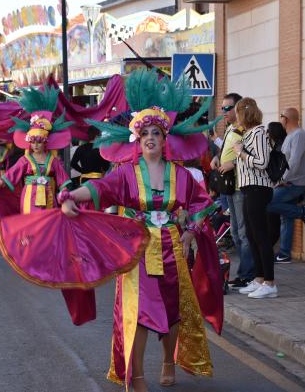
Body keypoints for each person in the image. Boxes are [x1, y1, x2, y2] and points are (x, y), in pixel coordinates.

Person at [61, 69, 223, 392]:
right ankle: (136, 377)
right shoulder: (125, 174)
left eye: (156, 133)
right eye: (145, 132)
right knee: (139, 313)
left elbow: (202, 204)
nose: (151, 137)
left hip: (172, 248)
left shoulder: (181, 175)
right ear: (138, 138)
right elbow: (100, 189)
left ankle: (168, 361)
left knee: (173, 311)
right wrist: (70, 197)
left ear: (165, 140)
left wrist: (191, 230)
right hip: (137, 249)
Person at [233, 97, 277, 298]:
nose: (235, 117)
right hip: (249, 188)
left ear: (243, 113)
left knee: (261, 236)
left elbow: (261, 162)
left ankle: (270, 282)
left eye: (236, 113)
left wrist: (241, 153)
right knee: (251, 235)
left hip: (259, 188)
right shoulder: (249, 133)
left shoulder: (259, 132)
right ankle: (259, 278)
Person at [211, 92, 255, 289]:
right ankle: (244, 273)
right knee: (236, 233)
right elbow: (227, 149)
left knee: (244, 233)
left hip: (240, 187)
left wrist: (233, 164)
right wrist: (218, 157)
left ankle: (248, 275)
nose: (224, 112)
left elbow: (254, 157)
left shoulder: (246, 130)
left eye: (228, 108)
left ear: (238, 109)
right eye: (222, 108)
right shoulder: (230, 128)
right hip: (228, 187)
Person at [266, 108, 305, 264]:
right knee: (286, 217)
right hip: (289, 181)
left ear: (286, 119)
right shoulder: (290, 136)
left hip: (295, 182)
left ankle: (302, 211)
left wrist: (281, 179)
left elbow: (294, 162)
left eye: (281, 117)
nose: (280, 120)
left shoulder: (299, 135)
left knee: (267, 203)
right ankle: (285, 253)